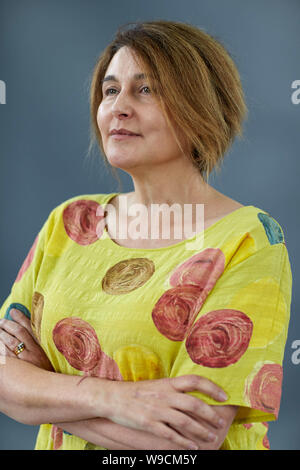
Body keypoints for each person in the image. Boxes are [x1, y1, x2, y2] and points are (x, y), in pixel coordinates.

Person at [0, 20, 292, 450]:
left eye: (146, 90)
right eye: (110, 90)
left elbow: (189, 441)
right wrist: (118, 399)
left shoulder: (249, 239)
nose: (118, 107)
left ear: (201, 109)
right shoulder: (69, 222)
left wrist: (47, 388)